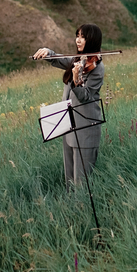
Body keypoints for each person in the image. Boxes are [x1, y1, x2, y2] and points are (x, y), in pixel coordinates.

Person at [33, 24, 105, 187]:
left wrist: (77, 80)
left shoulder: (97, 68)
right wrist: (48, 53)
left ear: (92, 40)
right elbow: (61, 59)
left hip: (86, 128)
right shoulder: (78, 61)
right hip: (68, 125)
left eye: (83, 37)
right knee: (70, 181)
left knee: (82, 183)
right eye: (77, 36)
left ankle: (82, 209)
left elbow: (86, 96)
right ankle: (71, 209)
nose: (78, 40)